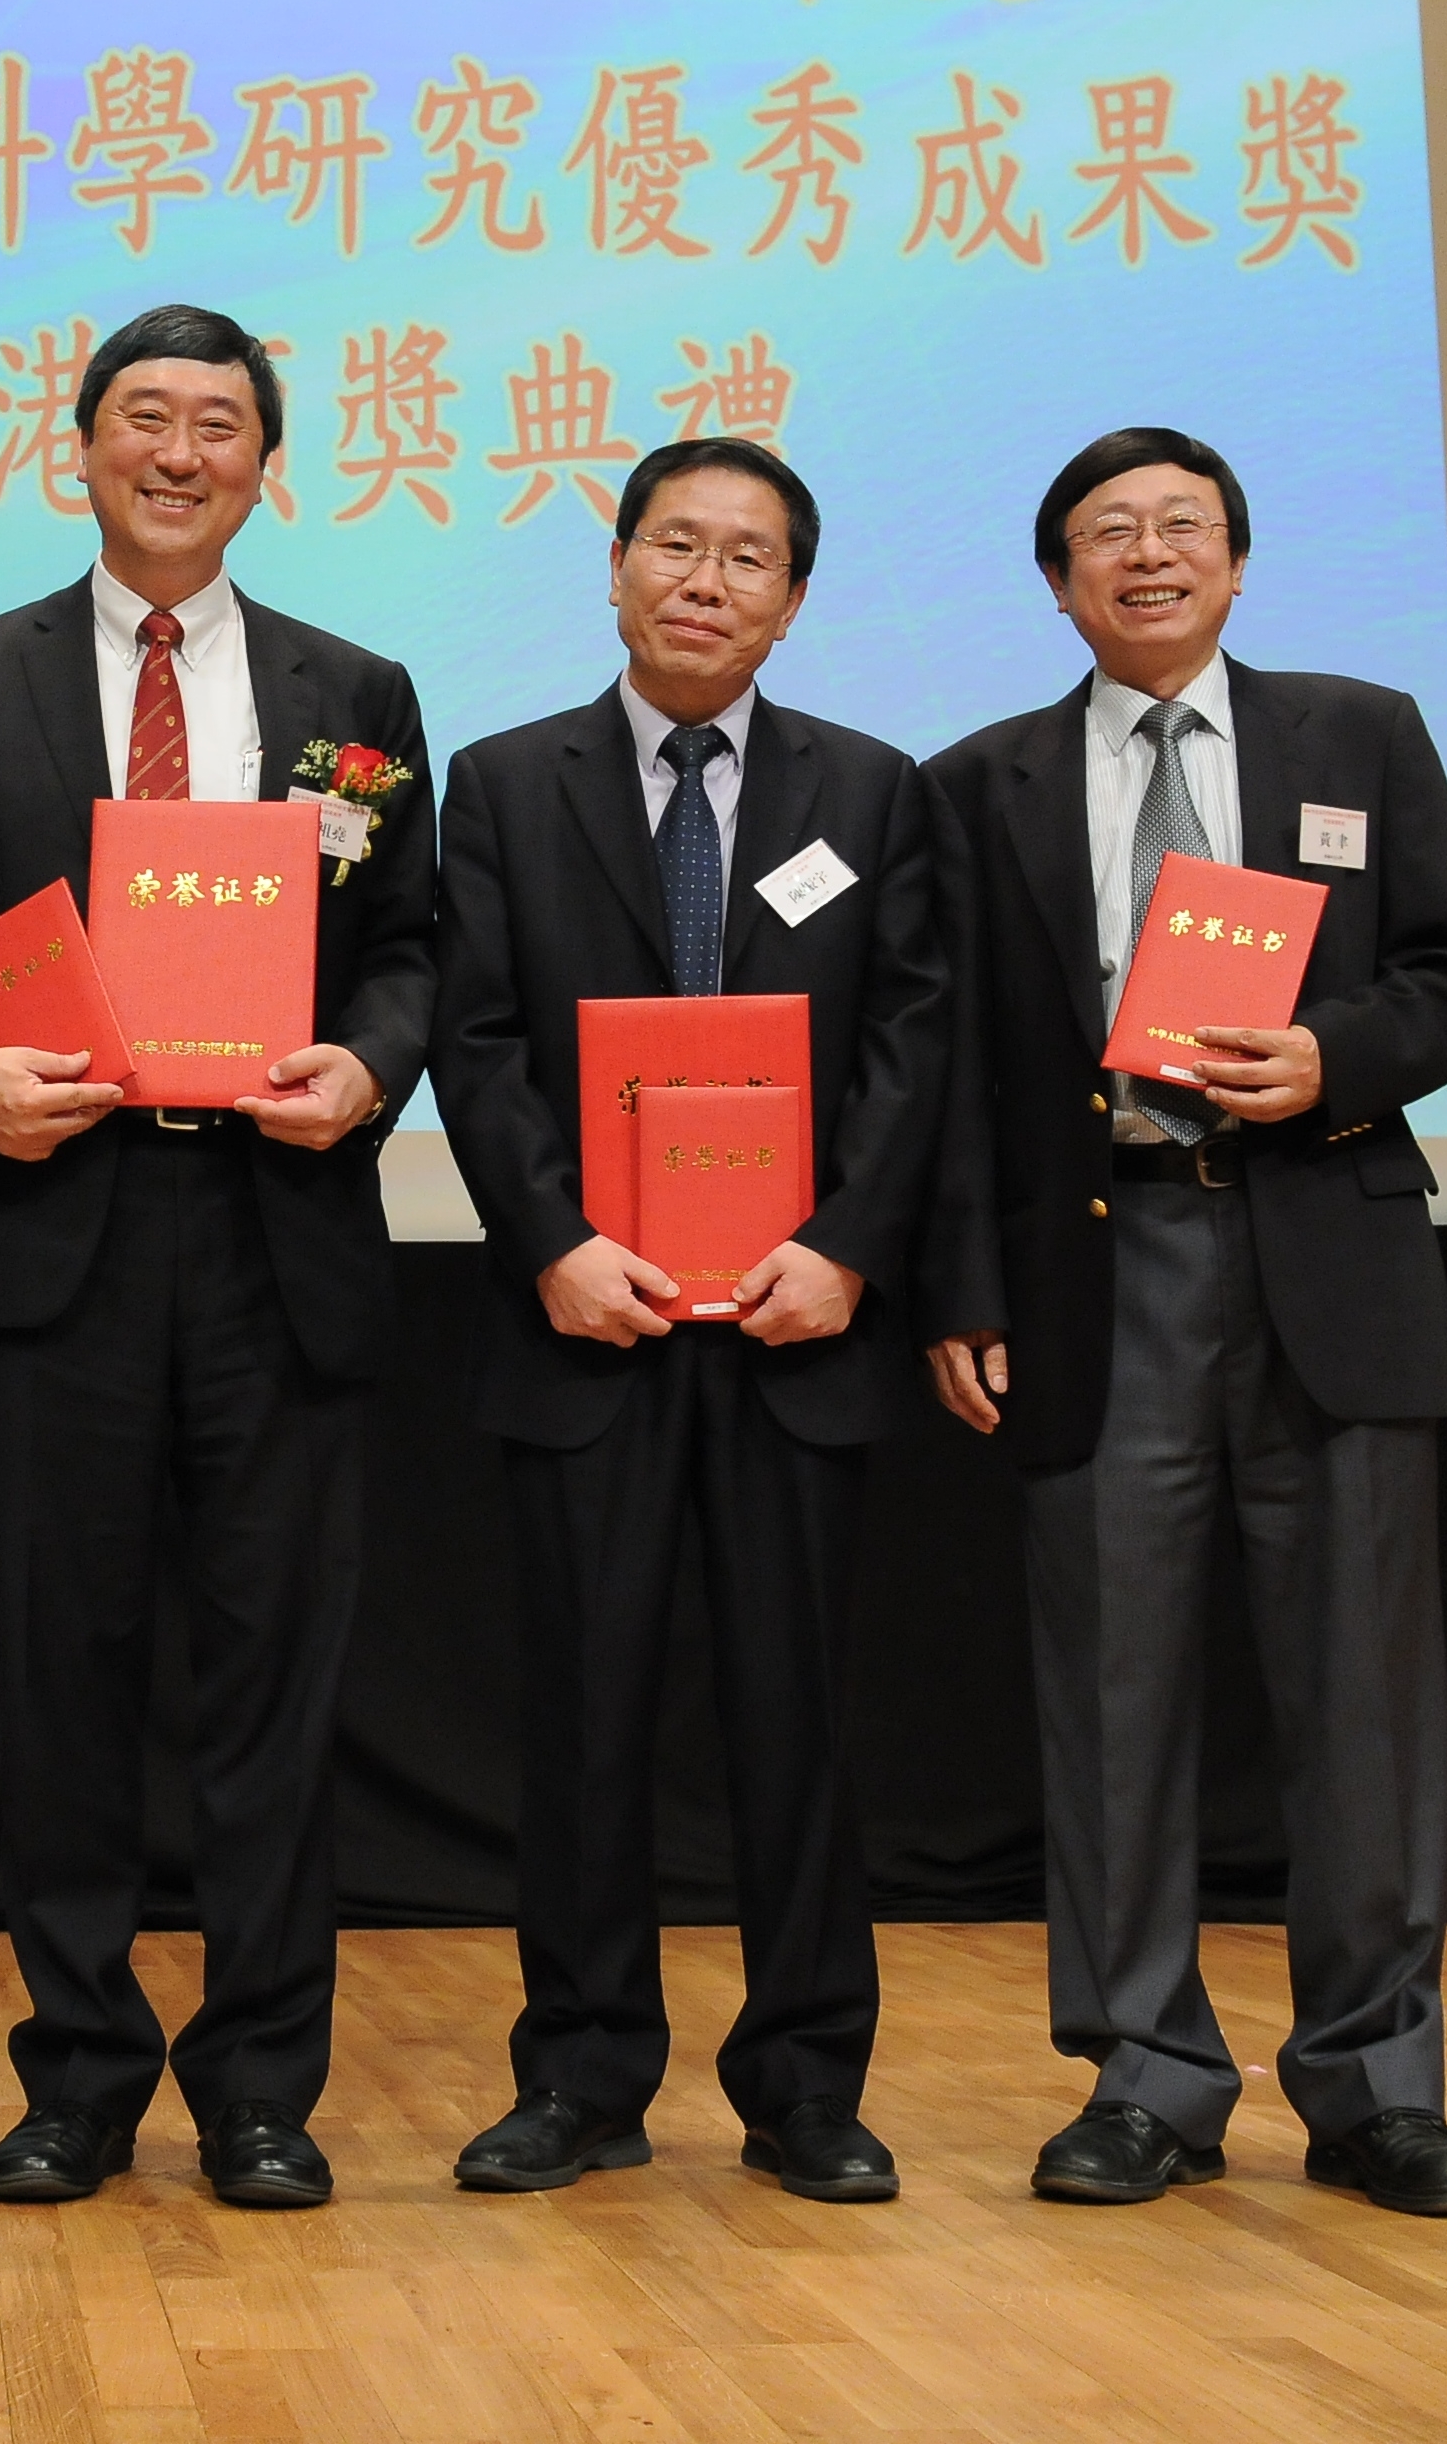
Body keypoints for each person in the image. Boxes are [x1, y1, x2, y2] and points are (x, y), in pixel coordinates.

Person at [0, 303, 434, 2210]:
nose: (178, 453)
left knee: (278, 1692)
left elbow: (417, 945)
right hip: (60, 1229)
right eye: (143, 420)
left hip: (280, 1238)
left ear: (271, 465)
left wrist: (370, 1065)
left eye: (219, 425)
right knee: (64, 1680)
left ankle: (264, 2085)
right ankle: (80, 2075)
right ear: (78, 446)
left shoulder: (359, 685)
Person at [919, 426, 1447, 2217]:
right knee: (1110, 1694)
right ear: (1058, 581)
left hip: (1322, 1250)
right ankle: (1145, 2074)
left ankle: (1376, 2085)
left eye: (1185, 528)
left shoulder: (1362, 731)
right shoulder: (979, 783)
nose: (1149, 555)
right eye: (1110, 532)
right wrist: (958, 1285)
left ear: (1239, 565)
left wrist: (1335, 1060)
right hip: (1104, 1269)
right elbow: (944, 1071)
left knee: (1365, 1697)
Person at [428, 438, 949, 2206]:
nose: (706, 580)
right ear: (618, 563)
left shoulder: (873, 793)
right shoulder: (506, 784)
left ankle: (808, 2080)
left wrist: (851, 1250)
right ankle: (579, 2075)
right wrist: (557, 1241)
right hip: (592, 1326)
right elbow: (477, 1042)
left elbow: (910, 1043)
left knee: (795, 1717)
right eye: (677, 544)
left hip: (801, 1328)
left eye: (748, 557)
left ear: (793, 600)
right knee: (584, 1715)